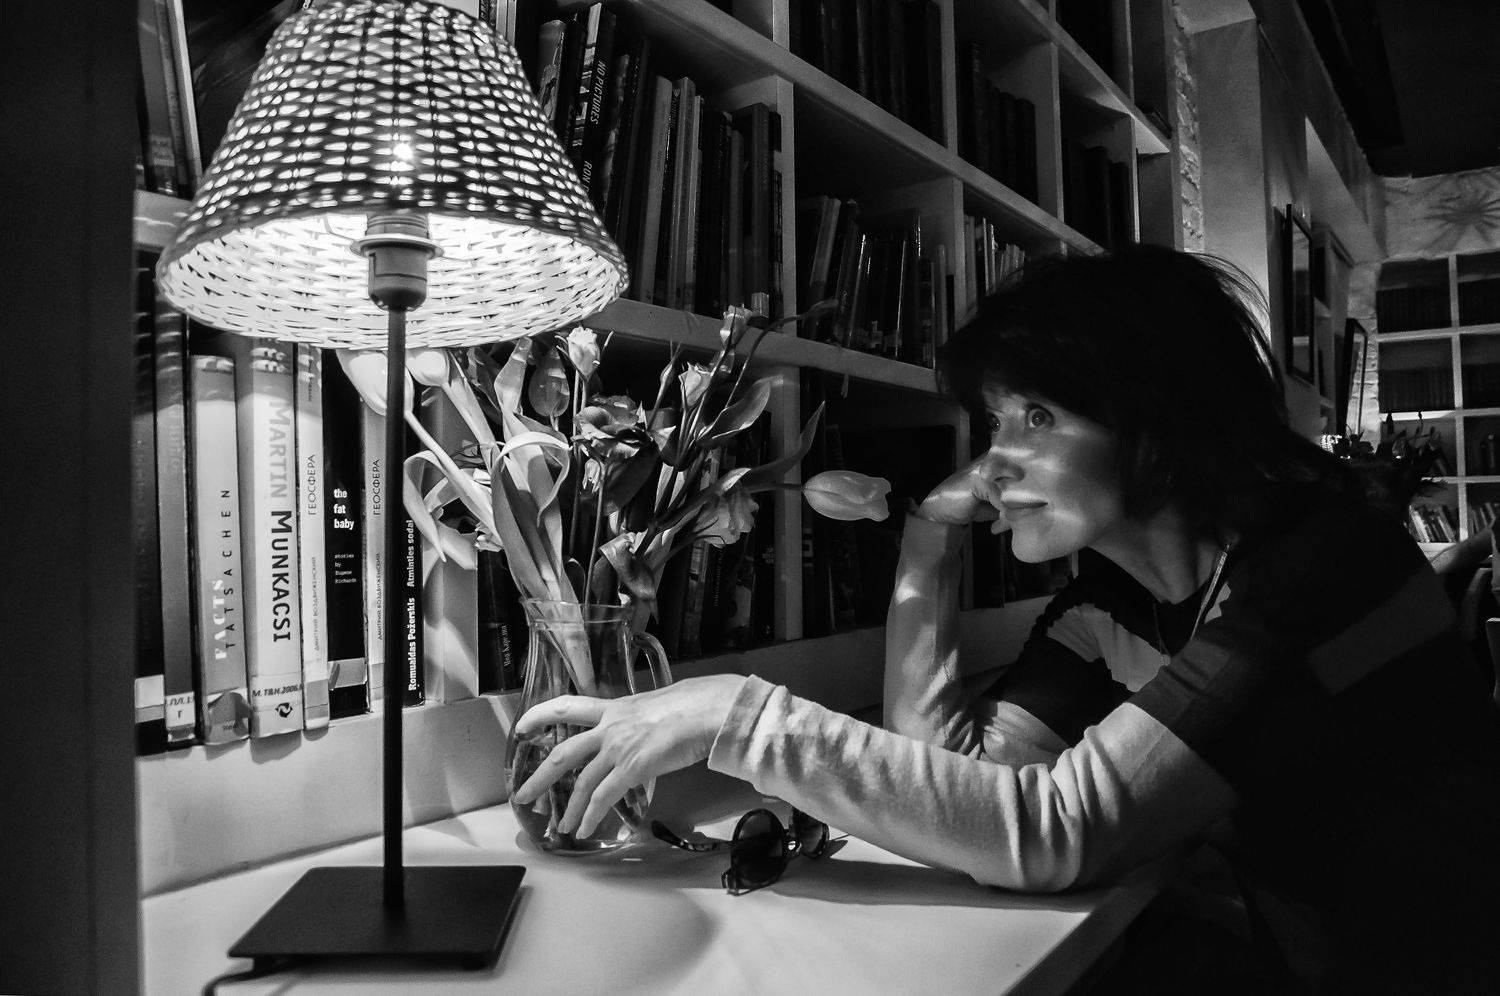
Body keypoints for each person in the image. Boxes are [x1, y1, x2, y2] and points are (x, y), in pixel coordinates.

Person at [512, 245, 1500, 992]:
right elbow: (963, 780)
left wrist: (739, 717)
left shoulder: (1323, 568)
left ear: (1159, 417)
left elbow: (1060, 831)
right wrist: (927, 544)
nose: (992, 464)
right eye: (994, 423)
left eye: (1039, 418)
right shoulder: (1107, 606)